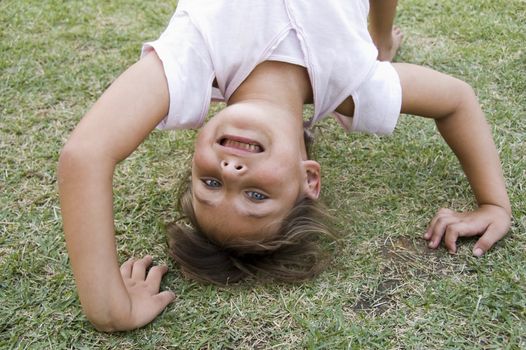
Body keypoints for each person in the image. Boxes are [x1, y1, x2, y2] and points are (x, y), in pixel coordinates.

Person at [58, 0, 511, 332]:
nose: (232, 174)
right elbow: (456, 101)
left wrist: (110, 311)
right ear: (309, 177)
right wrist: (494, 203)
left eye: (209, 182)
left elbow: (85, 156)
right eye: (257, 196)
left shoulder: (191, 62)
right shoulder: (355, 81)